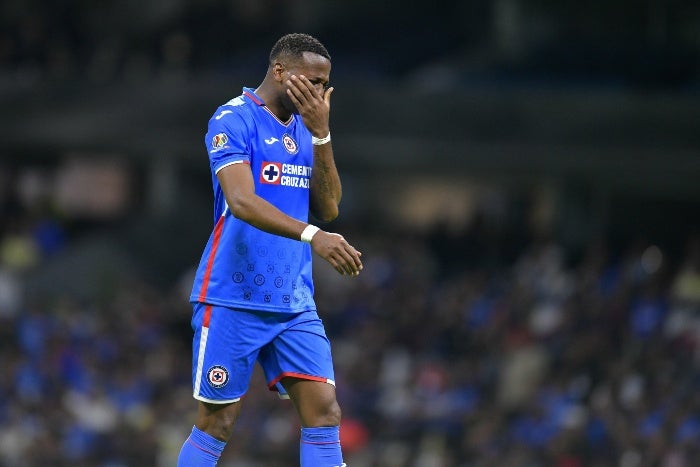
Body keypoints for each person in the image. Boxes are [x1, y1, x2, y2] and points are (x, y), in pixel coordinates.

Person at [177, 33, 363, 467]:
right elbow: (241, 202)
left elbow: (330, 207)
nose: (318, 92)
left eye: (325, 84)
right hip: (232, 296)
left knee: (325, 412)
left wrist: (322, 135)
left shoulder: (306, 127)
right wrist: (312, 236)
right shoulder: (232, 119)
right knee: (216, 423)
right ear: (280, 71)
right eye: (312, 81)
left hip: (294, 302)